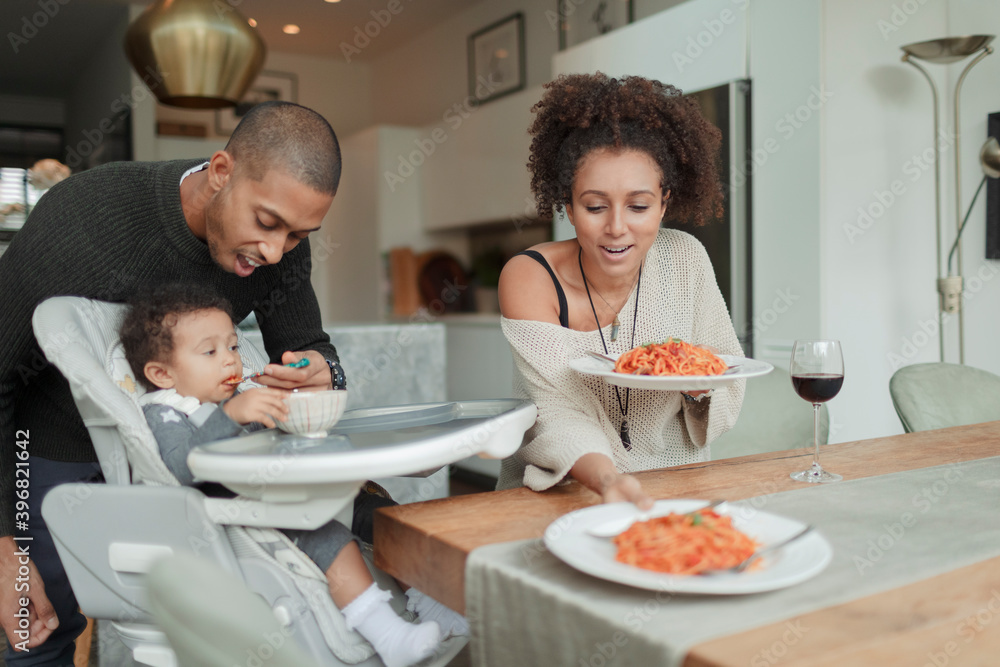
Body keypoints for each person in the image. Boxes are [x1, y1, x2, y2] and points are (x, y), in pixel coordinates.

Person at [0, 101, 349, 664]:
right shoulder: (84, 218)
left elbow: (313, 348)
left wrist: (317, 373)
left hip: (174, 456)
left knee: (200, 624)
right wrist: (2, 547)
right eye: (265, 223)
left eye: (298, 235)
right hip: (44, 449)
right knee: (35, 627)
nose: (275, 251)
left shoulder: (280, 247)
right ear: (220, 172)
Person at [120, 283, 444, 667]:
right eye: (210, 351)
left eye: (234, 347)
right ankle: (387, 634)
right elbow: (179, 466)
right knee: (326, 532)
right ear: (161, 374)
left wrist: (288, 409)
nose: (229, 361)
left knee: (377, 510)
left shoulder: (236, 395)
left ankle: (429, 603)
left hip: (290, 492)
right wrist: (232, 416)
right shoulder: (168, 412)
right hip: (246, 516)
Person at [497, 73, 745, 508]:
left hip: (678, 488)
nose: (616, 227)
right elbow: (557, 414)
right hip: (563, 493)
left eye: (639, 206)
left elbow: (725, 373)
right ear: (568, 206)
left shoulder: (686, 257)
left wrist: (699, 386)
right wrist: (609, 481)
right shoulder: (530, 276)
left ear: (665, 202)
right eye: (594, 206)